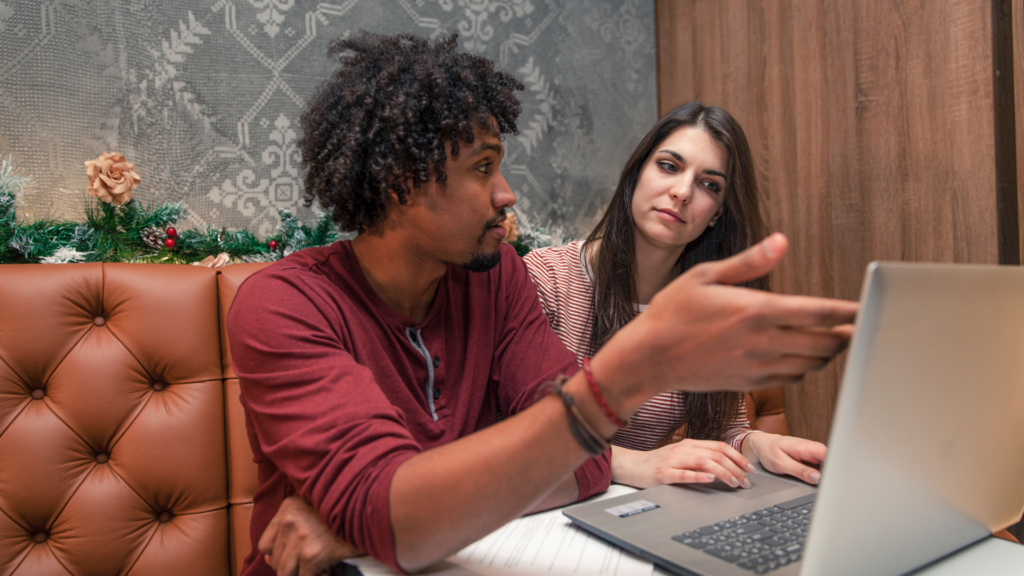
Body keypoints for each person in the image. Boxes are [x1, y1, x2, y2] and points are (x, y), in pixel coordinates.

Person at [227, 32, 858, 576]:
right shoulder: (284, 306)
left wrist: (377, 516)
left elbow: (585, 465)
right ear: (402, 183)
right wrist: (387, 516)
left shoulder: (494, 276)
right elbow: (543, 459)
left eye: (709, 185)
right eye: (483, 168)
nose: (507, 195)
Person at [522, 101, 826, 491]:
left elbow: (725, 427)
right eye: (669, 166)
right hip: (545, 512)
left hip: (638, 515)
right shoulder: (547, 279)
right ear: (636, 174)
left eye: (709, 185)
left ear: (716, 213)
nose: (682, 192)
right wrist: (624, 463)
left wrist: (757, 443)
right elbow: (510, 428)